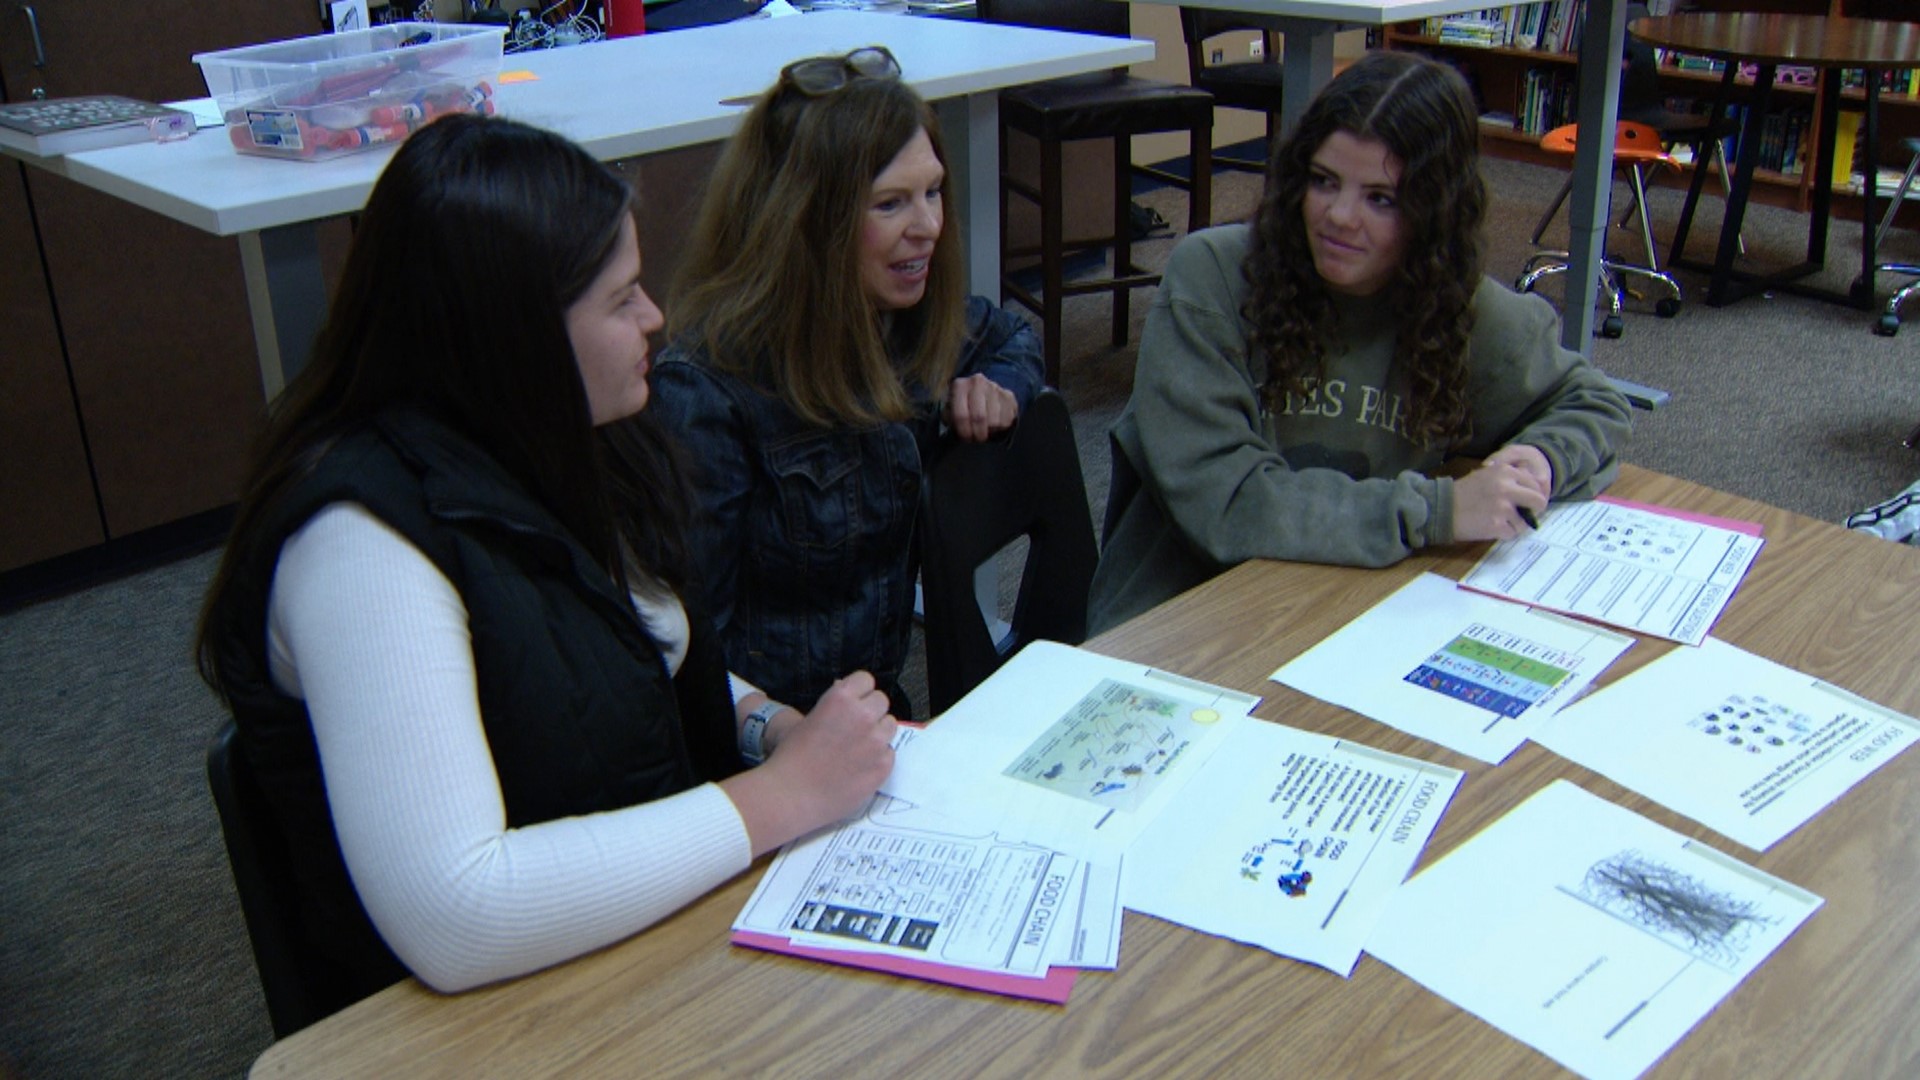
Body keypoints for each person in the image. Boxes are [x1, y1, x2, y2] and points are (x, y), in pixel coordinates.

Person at [193, 114, 897, 1020]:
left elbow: (608, 656)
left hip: (633, 947)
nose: (656, 316)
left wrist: (764, 725)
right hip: (475, 1019)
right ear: (514, 336)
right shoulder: (357, 546)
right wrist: (778, 798)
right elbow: (456, 911)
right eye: (622, 298)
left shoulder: (564, 429)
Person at [1086, 50, 1633, 635]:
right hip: (1179, 620)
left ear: (1433, 214)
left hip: (1341, 608)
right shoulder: (1213, 279)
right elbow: (1229, 505)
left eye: (1381, 198)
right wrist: (1441, 512)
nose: (1339, 216)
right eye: (1323, 182)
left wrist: (1542, 462)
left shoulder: (1456, 305)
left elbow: (1594, 404)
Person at [651, 47, 1045, 721]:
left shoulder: (901, 321)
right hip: (770, 749)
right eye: (890, 204)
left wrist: (997, 383)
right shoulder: (709, 391)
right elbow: (685, 656)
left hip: (876, 721)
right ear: (805, 221)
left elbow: (1012, 336)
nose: (927, 227)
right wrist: (777, 740)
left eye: (933, 192)